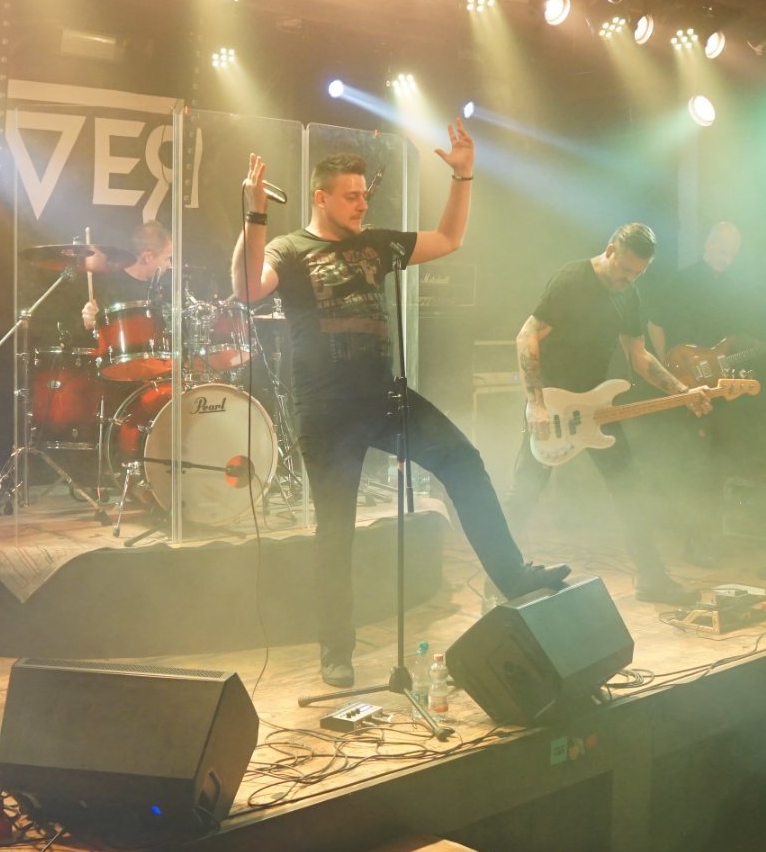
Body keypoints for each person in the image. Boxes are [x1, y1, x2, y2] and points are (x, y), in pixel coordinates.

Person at [231, 120, 568, 687]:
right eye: (351, 196)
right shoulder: (290, 249)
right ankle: (335, 648)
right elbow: (245, 288)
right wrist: (255, 216)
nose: (363, 203)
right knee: (335, 529)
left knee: (464, 461)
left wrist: (463, 176)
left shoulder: (376, 243)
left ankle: (513, 576)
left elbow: (449, 239)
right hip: (324, 408)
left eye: (364, 194)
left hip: (384, 396)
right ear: (320, 198)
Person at [509, 223, 711, 605]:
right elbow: (526, 335)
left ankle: (652, 579)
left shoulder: (629, 294)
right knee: (526, 492)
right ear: (610, 250)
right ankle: (500, 579)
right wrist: (535, 402)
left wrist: (682, 392)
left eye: (638, 273)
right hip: (552, 403)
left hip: (597, 406)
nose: (628, 279)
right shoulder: (572, 279)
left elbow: (639, 355)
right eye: (625, 270)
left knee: (630, 489)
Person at [645, 222, 766, 563]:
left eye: (732, 253)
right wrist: (667, 365)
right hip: (685, 381)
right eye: (722, 250)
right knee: (693, 463)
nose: (726, 258)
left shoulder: (734, 289)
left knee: (716, 462)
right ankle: (693, 540)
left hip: (719, 387)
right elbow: (654, 322)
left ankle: (709, 536)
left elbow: (739, 338)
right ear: (708, 244)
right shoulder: (682, 280)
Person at [78, 220, 172, 339]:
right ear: (148, 257)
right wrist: (90, 320)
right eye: (166, 258)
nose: (169, 265)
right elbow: (92, 335)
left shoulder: (165, 287)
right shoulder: (110, 287)